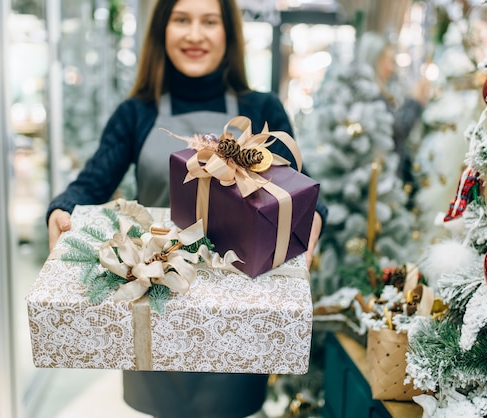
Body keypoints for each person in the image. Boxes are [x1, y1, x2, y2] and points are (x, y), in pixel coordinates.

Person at [46, 0, 328, 417]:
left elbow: (301, 195)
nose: (194, 34)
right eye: (181, 20)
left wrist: (311, 220)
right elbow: (92, 181)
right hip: (155, 305)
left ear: (228, 34)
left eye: (209, 21)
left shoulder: (262, 109)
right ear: (162, 30)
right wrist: (62, 208)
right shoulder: (136, 113)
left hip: (240, 316)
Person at [355, 31, 429, 188]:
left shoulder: (382, 92)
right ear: (375, 61)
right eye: (388, 61)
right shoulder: (372, 96)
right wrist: (414, 100)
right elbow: (399, 128)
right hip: (382, 181)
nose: (391, 68)